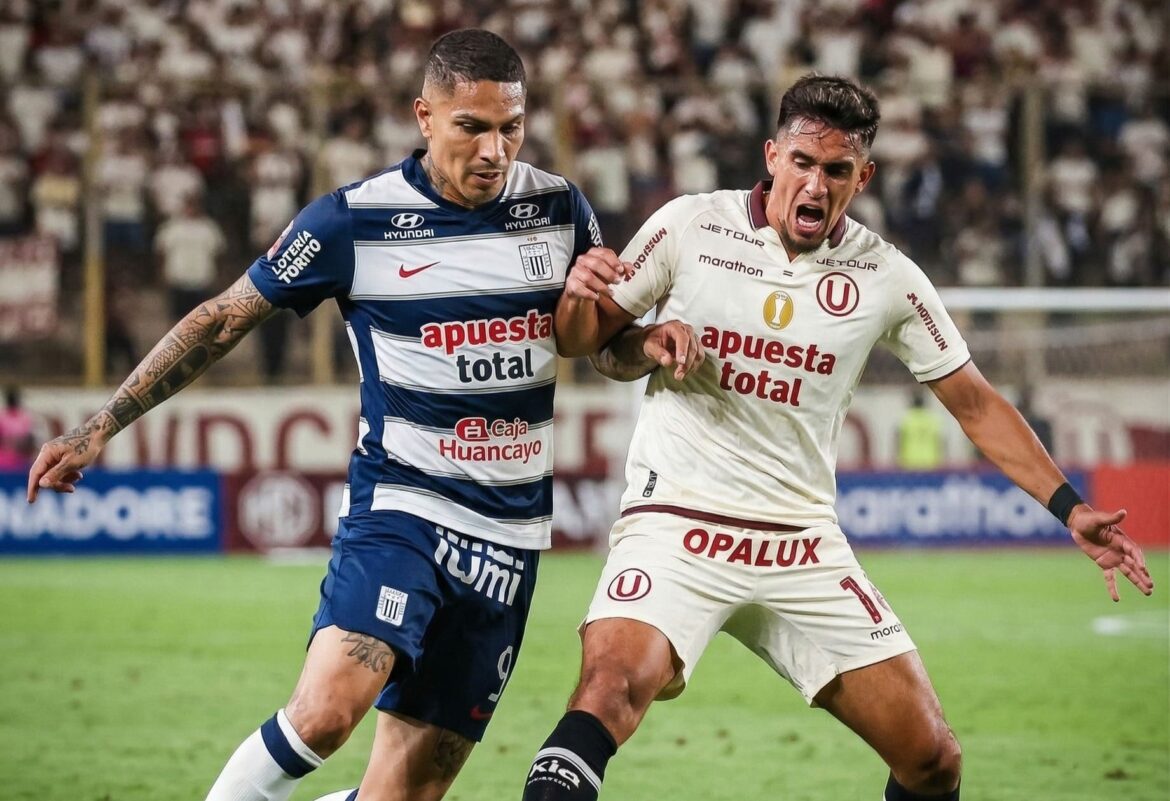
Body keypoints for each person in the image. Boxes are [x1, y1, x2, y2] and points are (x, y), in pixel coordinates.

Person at [520, 74, 1154, 801]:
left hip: (801, 542)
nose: (815, 186)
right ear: (772, 156)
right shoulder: (690, 225)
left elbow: (974, 401)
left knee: (934, 758)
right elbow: (588, 344)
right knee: (606, 689)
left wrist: (1071, 507)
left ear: (864, 177)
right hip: (677, 527)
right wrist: (598, 309)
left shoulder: (887, 276)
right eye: (802, 163)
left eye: (836, 171)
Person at [27, 29, 613, 801]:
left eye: (511, 127)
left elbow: (603, 346)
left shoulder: (560, 208)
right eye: (471, 126)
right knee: (328, 712)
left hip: (509, 533)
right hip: (402, 505)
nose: (495, 150)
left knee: (403, 794)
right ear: (424, 117)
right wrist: (101, 421)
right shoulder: (353, 221)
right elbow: (223, 319)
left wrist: (642, 335)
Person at [897, 388, 944, 470]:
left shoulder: (906, 419)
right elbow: (939, 441)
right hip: (930, 461)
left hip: (909, 461)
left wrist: (898, 459)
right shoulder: (932, 419)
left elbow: (899, 440)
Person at [0, 385, 36, 470]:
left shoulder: (24, 417)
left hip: (21, 461)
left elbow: (29, 440)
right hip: (5, 461)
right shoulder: (24, 416)